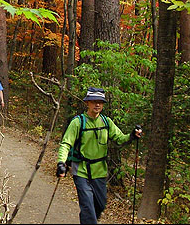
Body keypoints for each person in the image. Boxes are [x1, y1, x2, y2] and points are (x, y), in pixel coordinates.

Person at [56, 87, 143, 225]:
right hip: (81, 171)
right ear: (87, 103)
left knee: (100, 205)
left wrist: (132, 135)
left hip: (100, 171)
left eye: (100, 102)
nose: (97, 105)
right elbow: (66, 144)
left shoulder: (106, 121)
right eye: (94, 101)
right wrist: (61, 163)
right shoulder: (78, 122)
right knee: (87, 207)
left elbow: (120, 138)